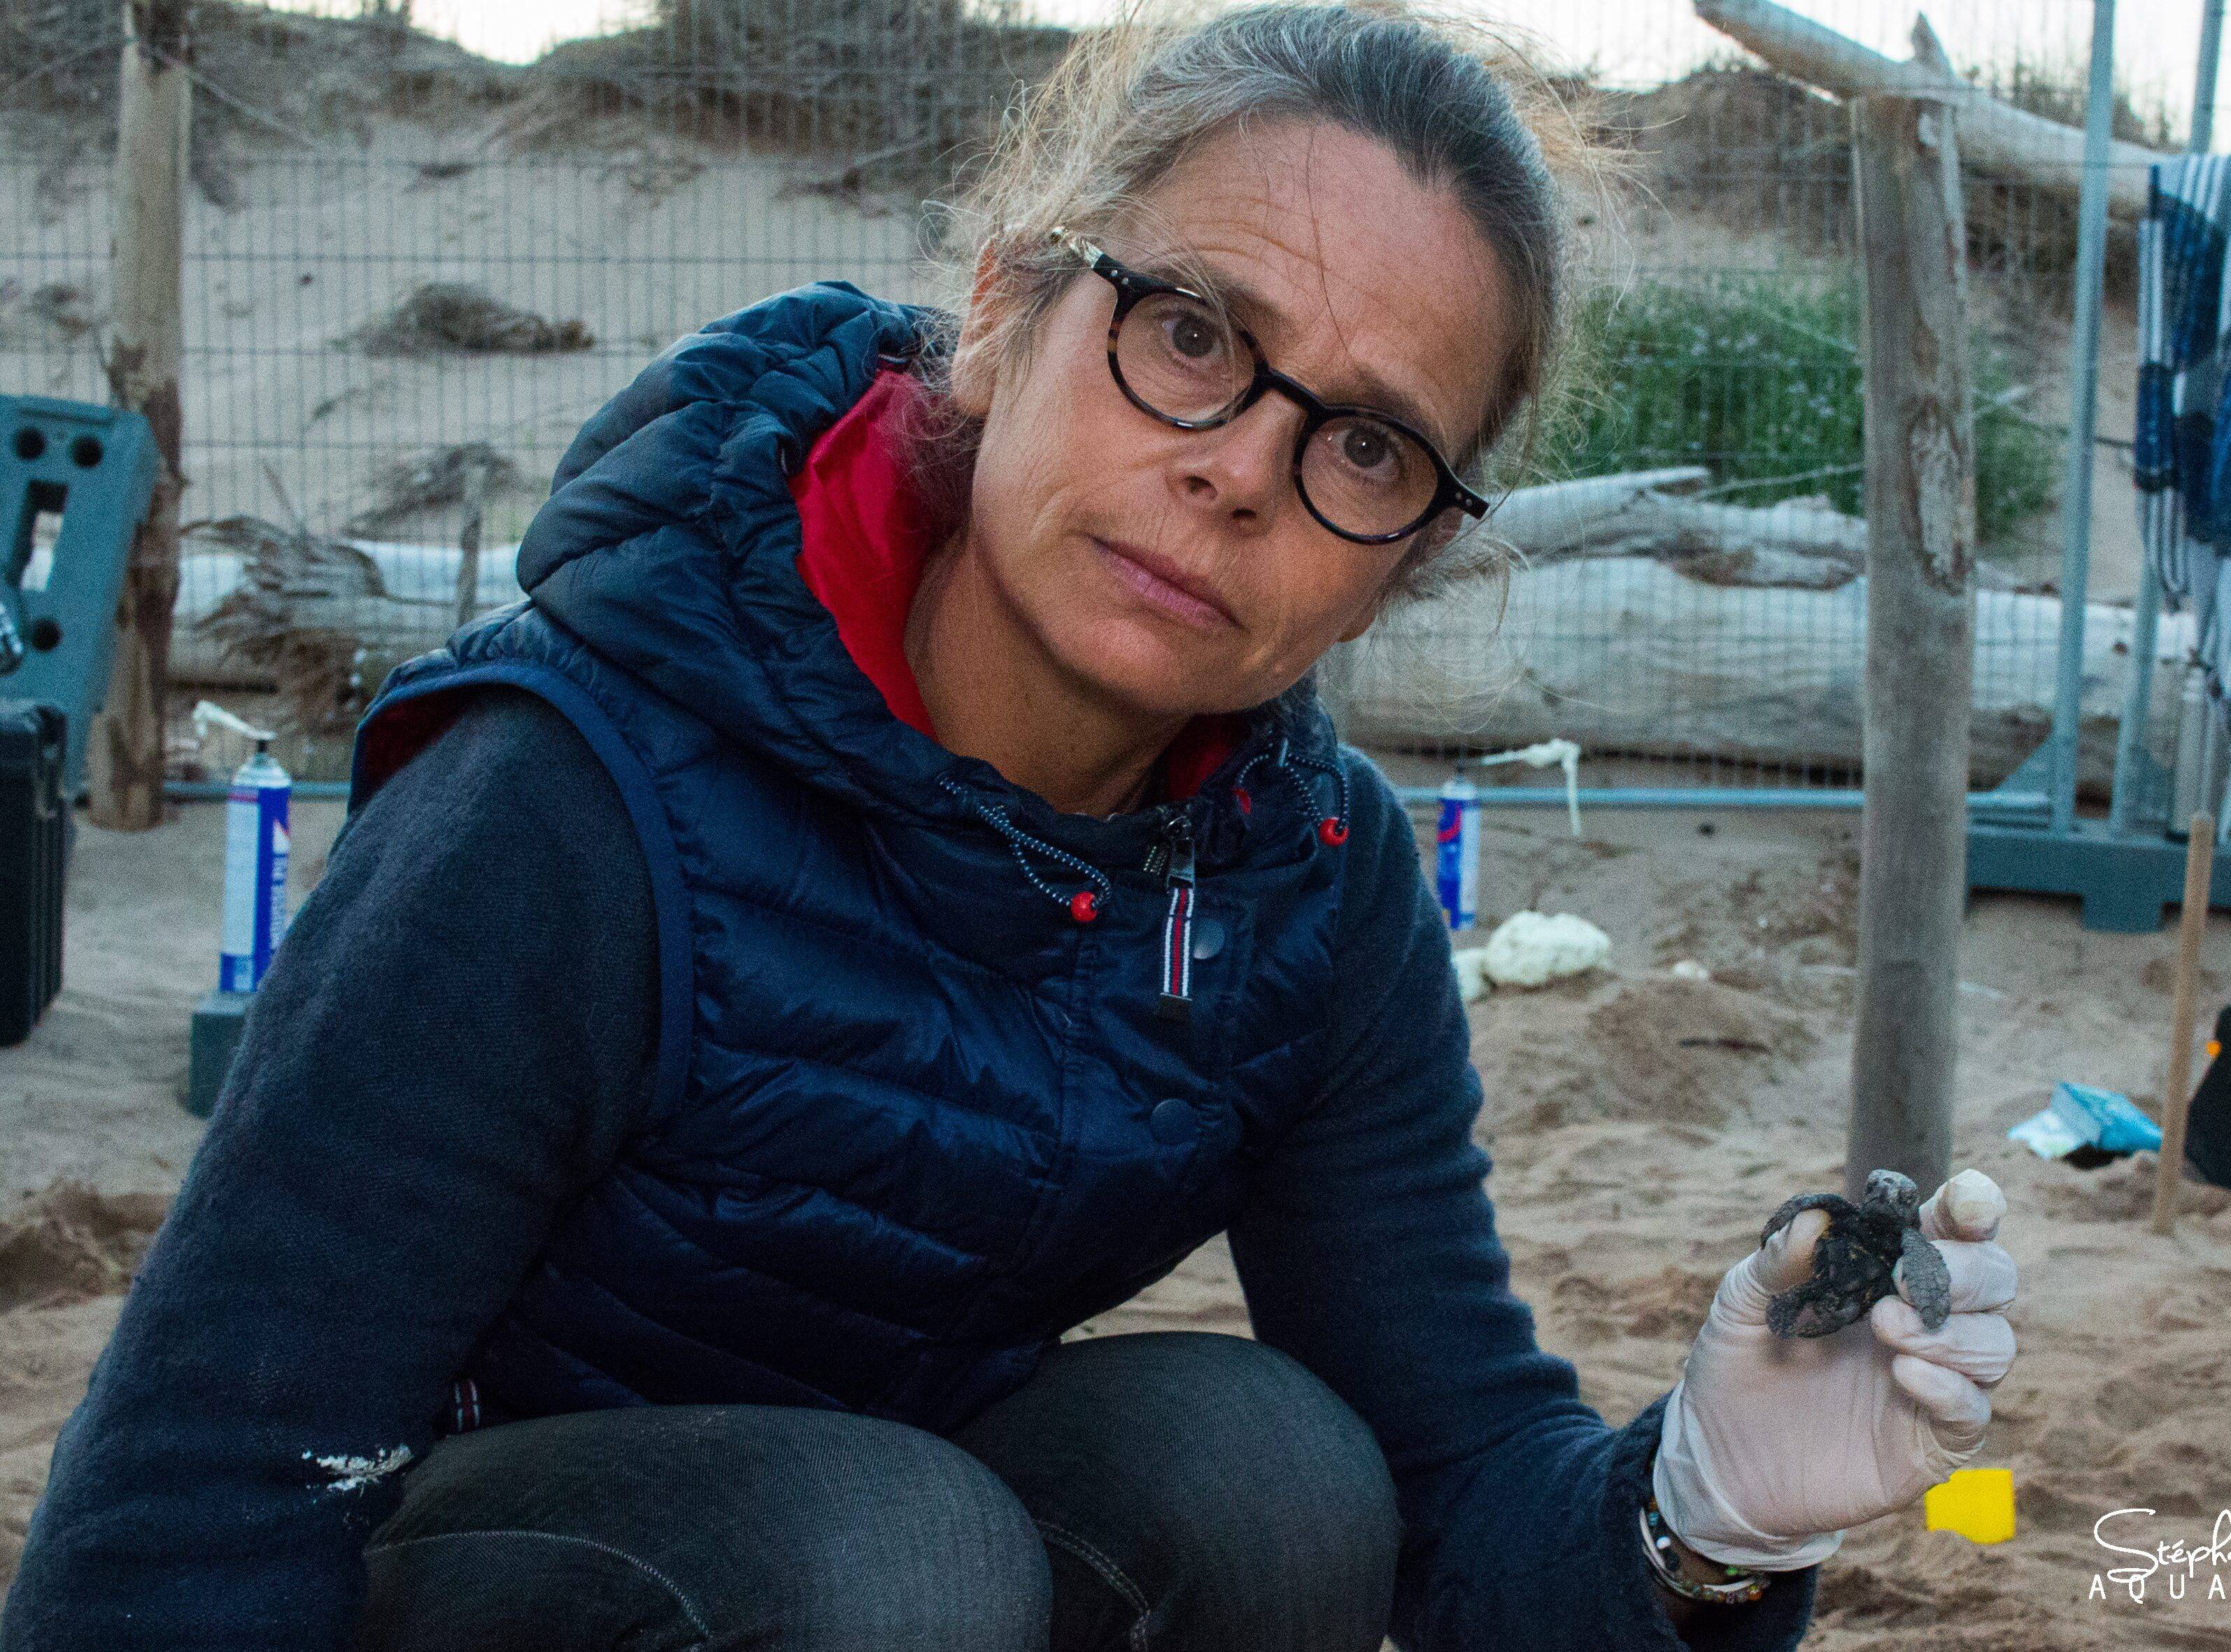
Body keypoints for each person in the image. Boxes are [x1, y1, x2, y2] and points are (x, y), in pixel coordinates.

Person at [2, 6, 2018, 1649]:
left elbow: (1459, 1488)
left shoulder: (1304, 886)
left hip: (878, 1541)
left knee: (1266, 1473)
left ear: (1401, 565)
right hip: (447, 1563)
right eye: (1195, 333)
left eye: (1367, 444)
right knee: (889, 1551)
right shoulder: (567, 795)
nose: (1240, 473)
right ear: (1002, 313)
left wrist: (1702, 1512)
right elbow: (192, 1505)